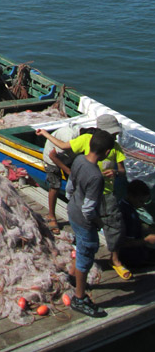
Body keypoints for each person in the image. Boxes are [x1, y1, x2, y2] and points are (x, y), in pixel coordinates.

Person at [37, 114, 128, 278]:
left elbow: (122, 170)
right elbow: (63, 148)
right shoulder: (87, 142)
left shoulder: (115, 148)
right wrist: (45, 134)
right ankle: (79, 264)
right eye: (111, 134)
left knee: (115, 226)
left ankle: (114, 259)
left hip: (106, 194)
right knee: (87, 235)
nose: (113, 137)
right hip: (88, 194)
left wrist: (115, 172)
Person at [66, 128, 115, 317]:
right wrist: (98, 223)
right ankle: (79, 298)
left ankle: (72, 275)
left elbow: (71, 186)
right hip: (84, 218)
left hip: (72, 210)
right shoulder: (96, 176)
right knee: (86, 255)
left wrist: (72, 203)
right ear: (107, 152)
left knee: (80, 246)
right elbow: (89, 208)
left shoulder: (79, 160)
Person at [41, 123, 80, 234]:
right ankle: (51, 216)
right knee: (55, 186)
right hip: (52, 159)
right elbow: (53, 156)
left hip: (70, 158)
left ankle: (77, 213)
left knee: (76, 186)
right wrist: (67, 171)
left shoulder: (84, 139)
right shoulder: (68, 138)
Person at [118, 180, 155, 269]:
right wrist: (146, 240)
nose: (142, 205)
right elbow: (124, 243)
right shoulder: (129, 215)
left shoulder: (123, 204)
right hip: (131, 256)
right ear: (131, 196)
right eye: (141, 201)